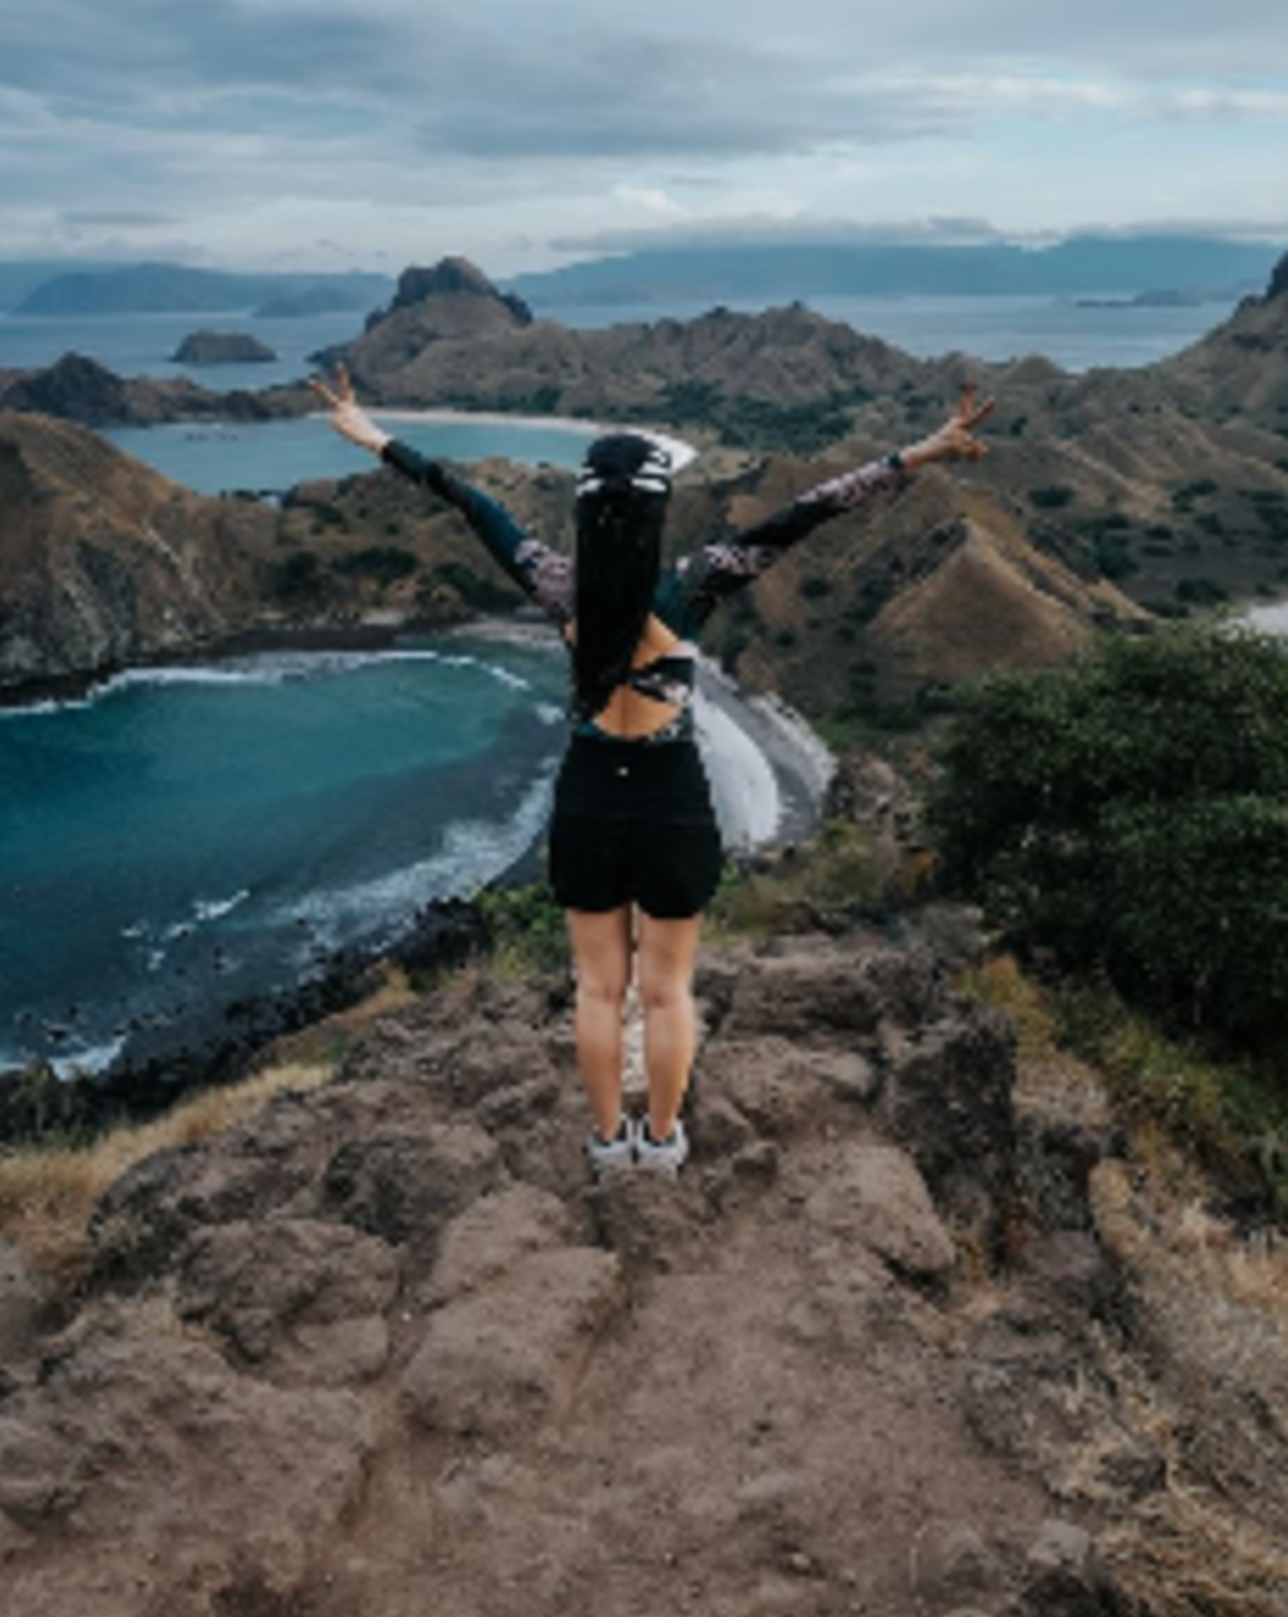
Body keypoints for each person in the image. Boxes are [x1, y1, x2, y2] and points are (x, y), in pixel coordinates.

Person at [313, 366, 991, 1172]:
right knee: (667, 992)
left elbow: (468, 501)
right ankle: (662, 1142)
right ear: (657, 513)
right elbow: (809, 511)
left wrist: (373, 436)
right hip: (673, 800)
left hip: (590, 799)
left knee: (598, 990)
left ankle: (609, 1142)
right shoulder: (690, 588)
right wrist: (922, 452)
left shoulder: (557, 586)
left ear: (585, 512)